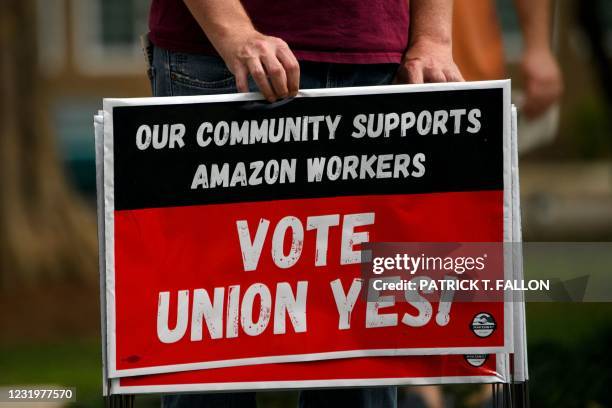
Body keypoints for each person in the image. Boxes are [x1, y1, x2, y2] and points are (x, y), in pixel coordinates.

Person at [146, 1, 463, 407]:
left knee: (357, 338)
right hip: (222, 58)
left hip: (375, 62)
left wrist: (433, 37)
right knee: (210, 333)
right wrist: (234, 32)